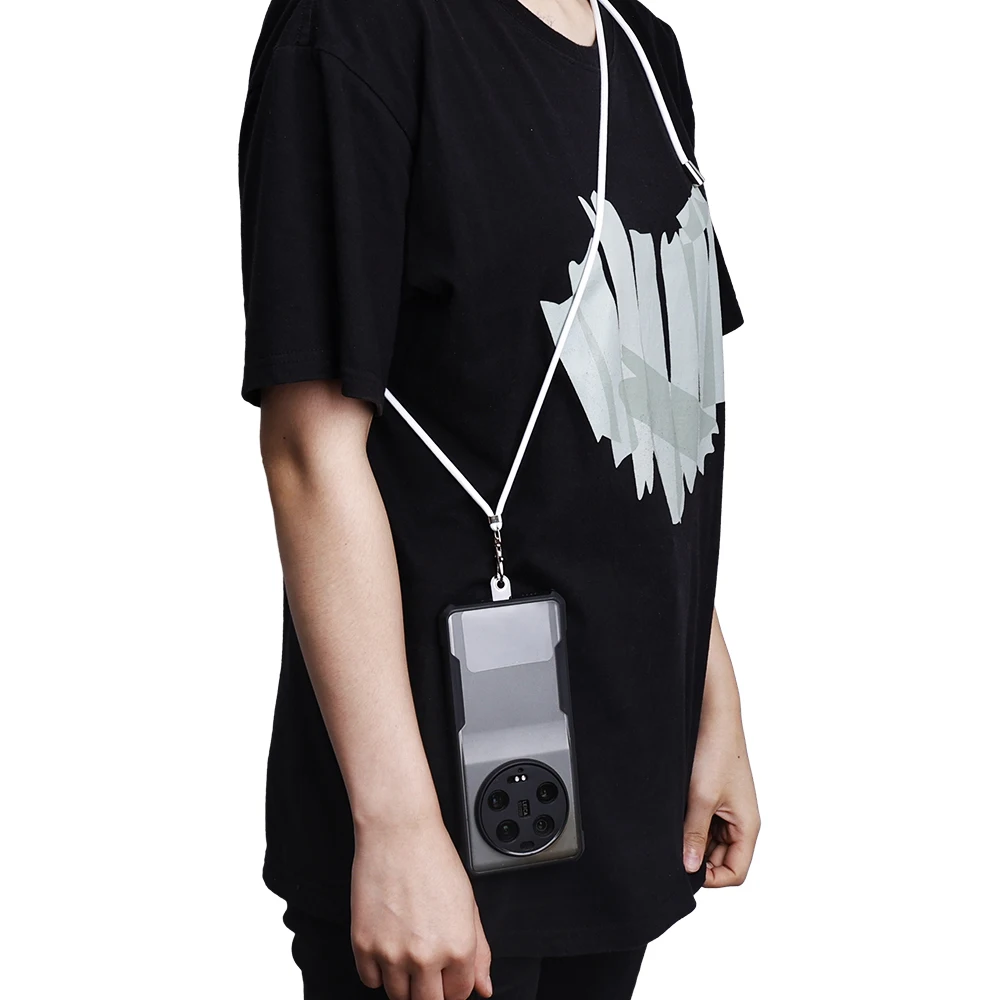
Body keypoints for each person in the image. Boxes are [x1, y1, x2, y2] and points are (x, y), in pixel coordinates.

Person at [238, 0, 760, 997]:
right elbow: (309, 446)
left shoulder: (642, 49)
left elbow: (656, 412)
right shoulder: (356, 28)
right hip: (439, 812)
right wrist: (395, 824)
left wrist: (712, 694)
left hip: (624, 791)